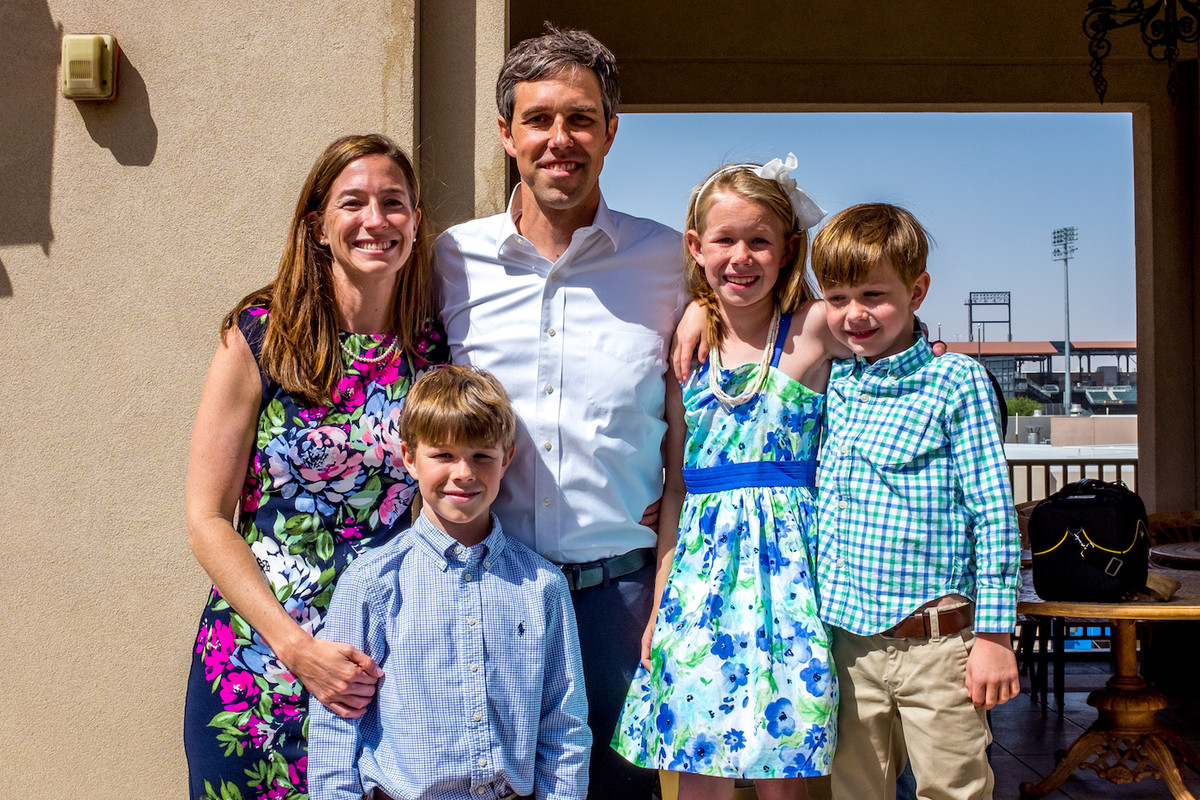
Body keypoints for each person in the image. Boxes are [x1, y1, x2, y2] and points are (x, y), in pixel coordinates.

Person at [434, 25, 687, 797]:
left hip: (620, 602)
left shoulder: (674, 262)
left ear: (611, 131)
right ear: (506, 133)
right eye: (538, 119)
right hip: (483, 592)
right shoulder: (448, 260)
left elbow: (776, 335)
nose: (559, 139)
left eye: (580, 118)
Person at [184, 134, 448, 800]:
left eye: (394, 203)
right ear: (319, 227)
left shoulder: (430, 351)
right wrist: (295, 647)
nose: (375, 220)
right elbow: (207, 519)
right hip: (260, 661)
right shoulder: (261, 336)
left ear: (416, 224)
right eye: (353, 202)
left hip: (377, 665)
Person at [612, 158, 843, 800]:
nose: (742, 257)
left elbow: (888, 336)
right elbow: (679, 485)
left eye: (760, 240)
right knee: (698, 764)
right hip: (702, 580)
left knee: (786, 770)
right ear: (696, 247)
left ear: (788, 248)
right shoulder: (685, 354)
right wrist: (660, 602)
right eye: (725, 240)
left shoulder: (814, 331)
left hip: (796, 579)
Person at [810, 203, 1021, 800]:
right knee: (853, 791)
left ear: (917, 291)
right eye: (838, 297)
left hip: (939, 644)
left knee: (953, 790)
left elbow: (994, 516)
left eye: (873, 295)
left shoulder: (955, 381)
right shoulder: (835, 383)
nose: (854, 314)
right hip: (847, 644)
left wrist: (995, 637)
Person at [307, 365, 590, 800]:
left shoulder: (543, 587)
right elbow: (334, 729)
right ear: (409, 457)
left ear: (506, 459)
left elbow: (563, 725)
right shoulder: (372, 583)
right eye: (443, 455)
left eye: (482, 456)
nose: (464, 473)